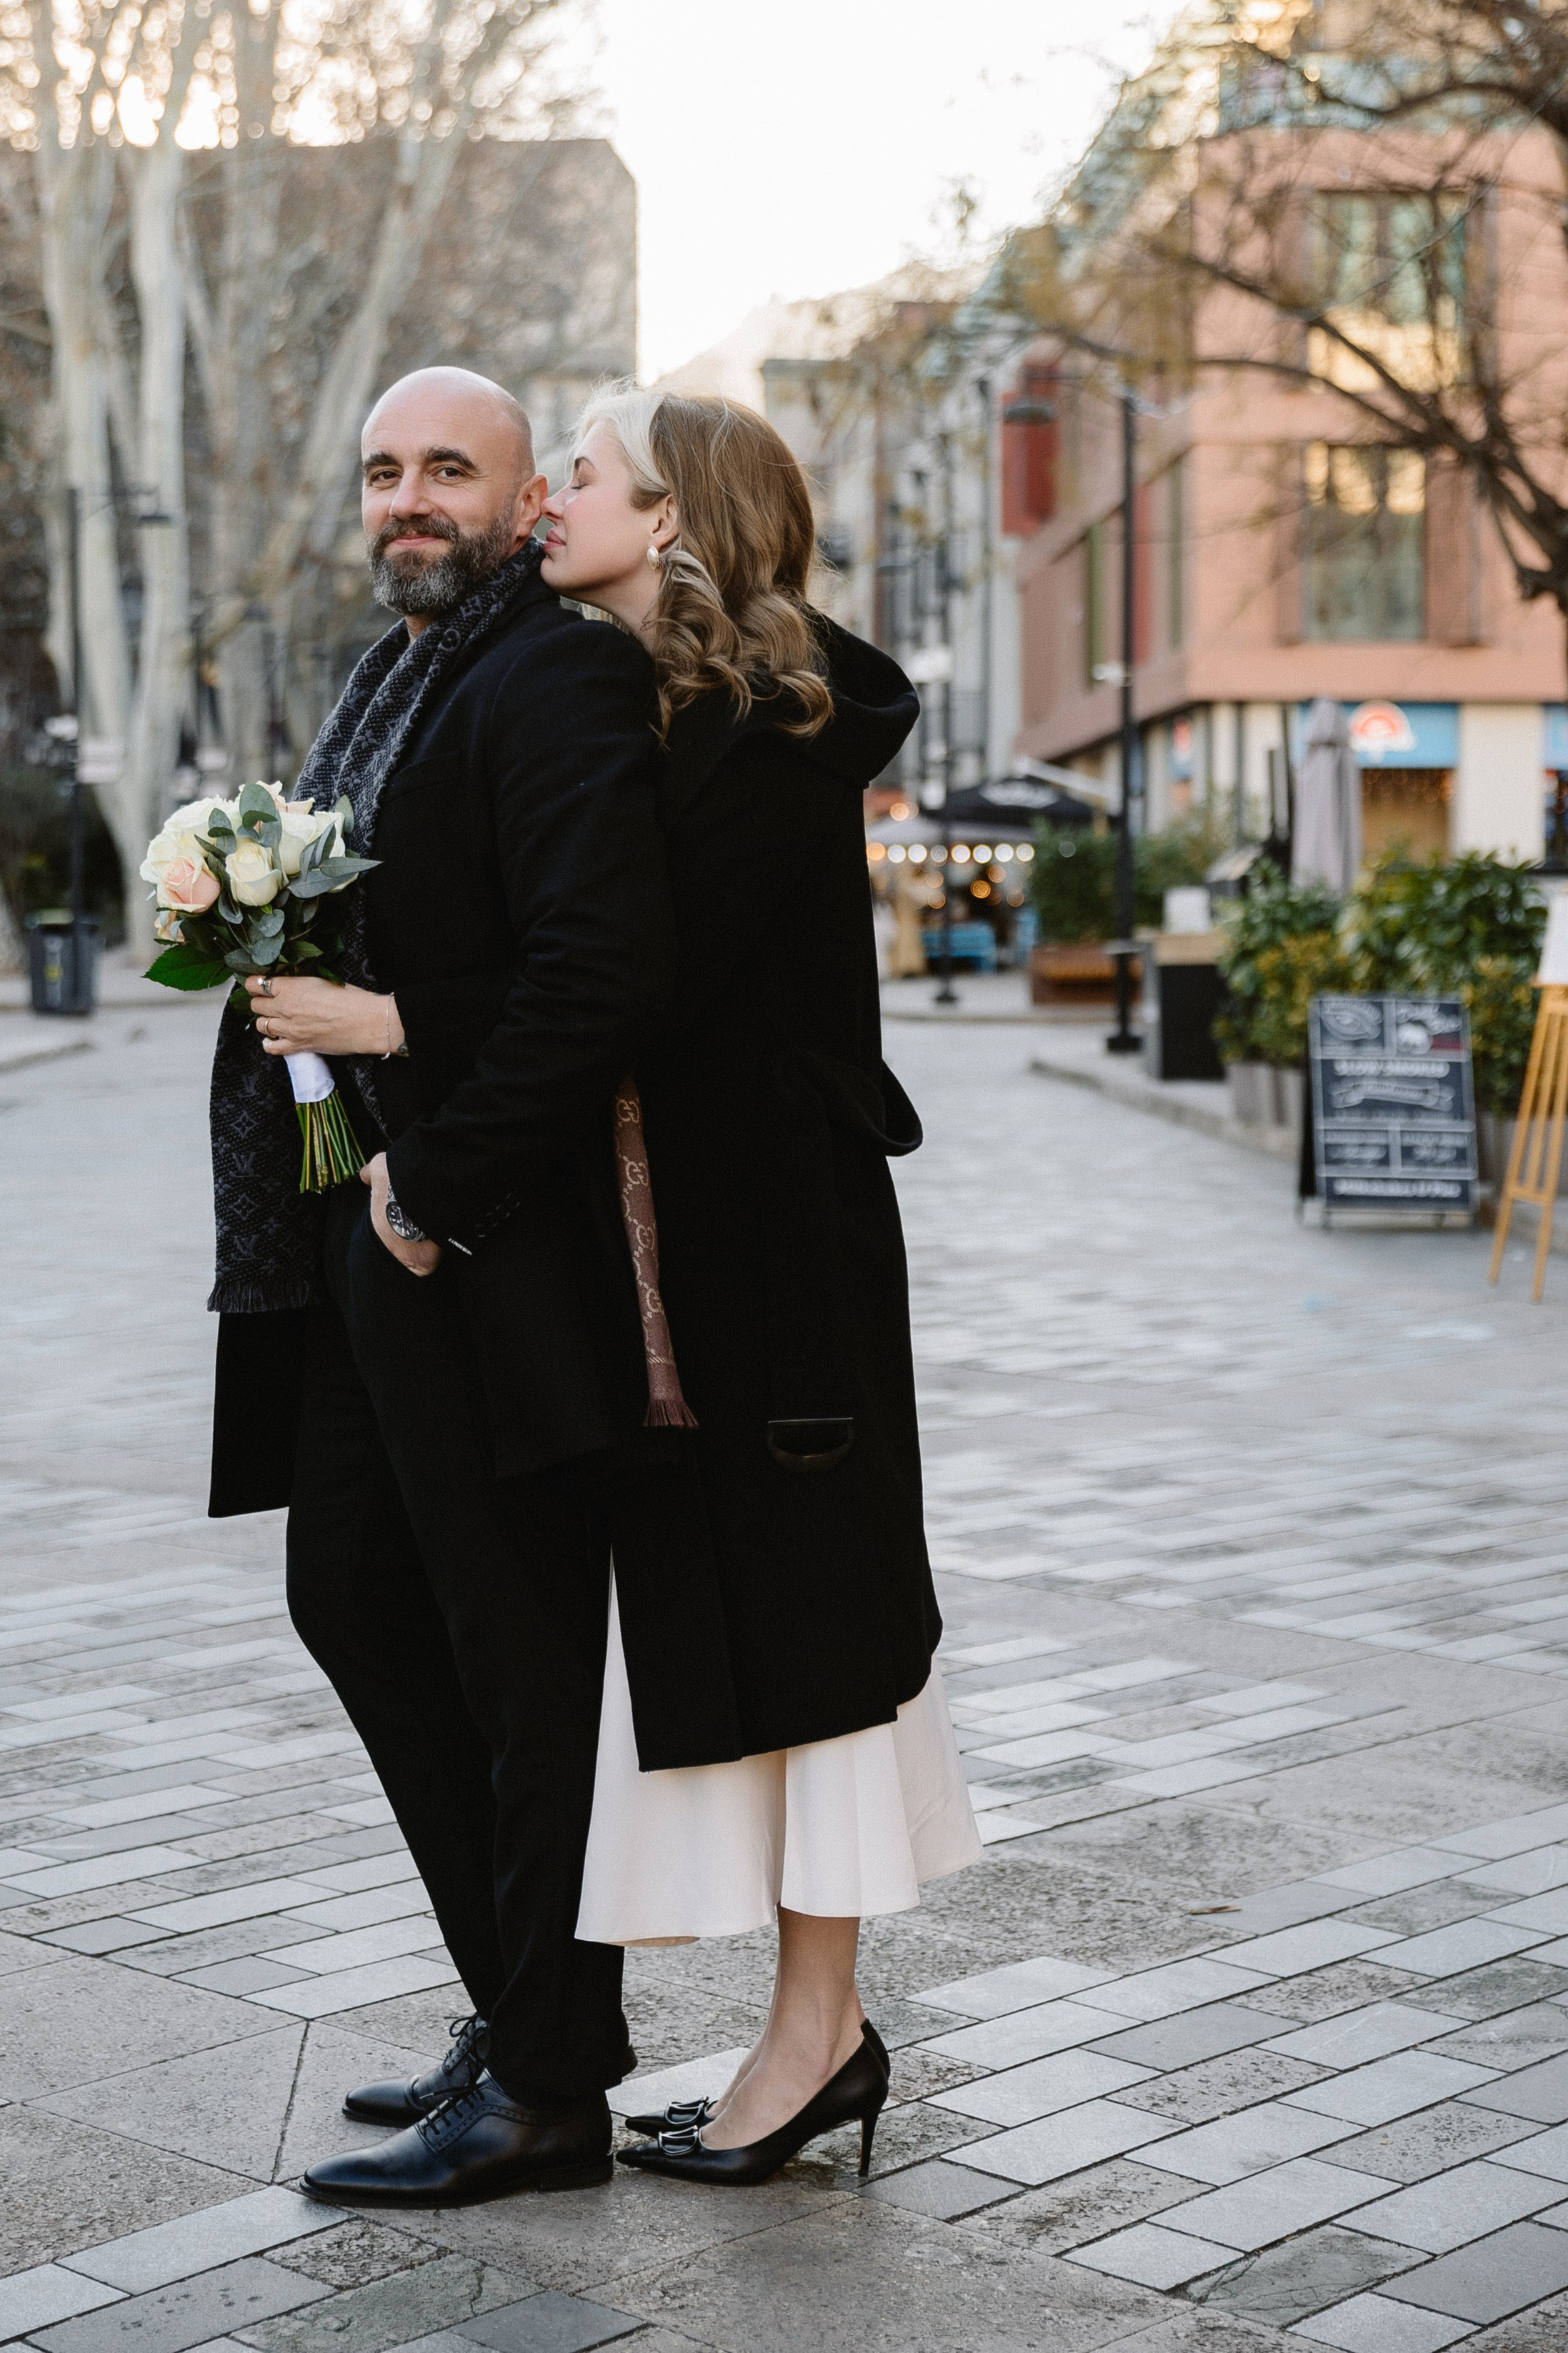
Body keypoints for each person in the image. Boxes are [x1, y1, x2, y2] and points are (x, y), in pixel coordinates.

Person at [204, 364, 674, 2209]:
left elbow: (603, 971)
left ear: (523, 499)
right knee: (353, 1596)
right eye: (384, 470)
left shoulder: (553, 675)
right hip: (360, 1232)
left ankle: (551, 2088)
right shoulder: (391, 681)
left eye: (449, 470)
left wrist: (432, 1176)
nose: (409, 498)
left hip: (476, 1244)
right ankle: (523, 2009)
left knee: (520, 1659)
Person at [536, 385, 982, 2187]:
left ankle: (817, 2042)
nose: (545, 499)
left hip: (776, 1272)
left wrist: (401, 1017)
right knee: (771, 1638)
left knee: (816, 1650)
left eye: (576, 472)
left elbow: (630, 979)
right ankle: (811, 2033)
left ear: (666, 519)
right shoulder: (688, 709)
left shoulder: (759, 733)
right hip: (712, 1263)